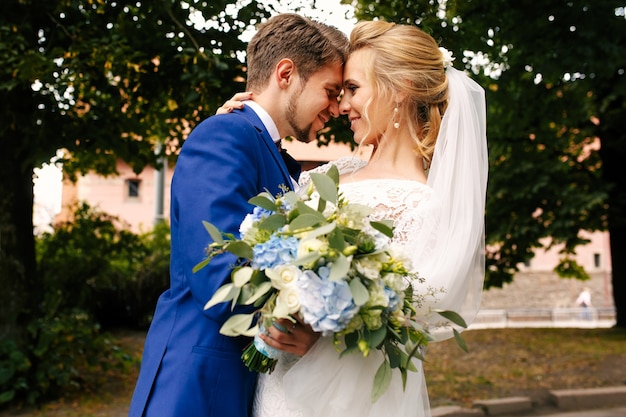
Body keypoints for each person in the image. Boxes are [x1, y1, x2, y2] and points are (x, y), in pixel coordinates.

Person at [223, 21, 488, 417]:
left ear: (398, 91)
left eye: (352, 89)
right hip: (274, 385)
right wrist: (237, 127)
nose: (341, 105)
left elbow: (405, 325)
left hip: (341, 400)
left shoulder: (424, 205)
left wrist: (322, 333)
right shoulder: (326, 174)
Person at [128, 14, 348, 417]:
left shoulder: (263, 149)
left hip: (240, 382)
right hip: (199, 382)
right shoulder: (225, 135)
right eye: (330, 91)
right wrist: (319, 316)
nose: (336, 107)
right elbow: (218, 270)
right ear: (286, 73)